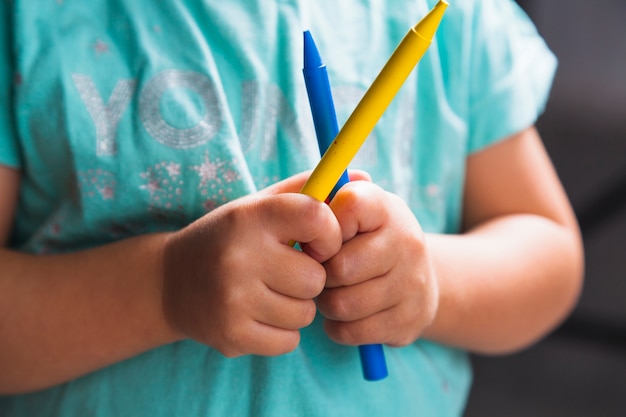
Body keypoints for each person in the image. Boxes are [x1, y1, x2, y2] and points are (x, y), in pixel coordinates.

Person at [0, 0, 583, 415]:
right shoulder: (26, 19)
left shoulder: (458, 19)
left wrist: (430, 280)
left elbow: (549, 256)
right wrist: (164, 288)